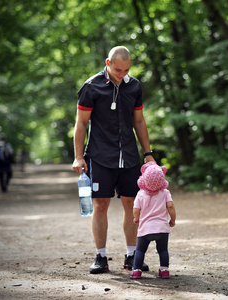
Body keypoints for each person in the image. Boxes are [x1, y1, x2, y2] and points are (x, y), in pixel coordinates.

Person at [72, 46, 156, 274]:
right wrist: (78, 157)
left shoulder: (134, 86)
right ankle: (101, 257)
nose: (122, 74)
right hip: (100, 156)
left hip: (128, 155)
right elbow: (80, 123)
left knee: (132, 204)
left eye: (126, 69)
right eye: (118, 69)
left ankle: (132, 256)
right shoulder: (91, 86)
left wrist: (148, 154)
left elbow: (139, 121)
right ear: (108, 63)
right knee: (100, 205)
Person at [129, 161, 176, 279]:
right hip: (162, 229)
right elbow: (170, 206)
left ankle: (137, 271)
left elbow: (136, 209)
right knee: (163, 250)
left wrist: (136, 218)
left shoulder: (140, 194)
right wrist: (173, 219)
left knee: (140, 250)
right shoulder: (165, 192)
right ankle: (164, 270)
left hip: (145, 229)